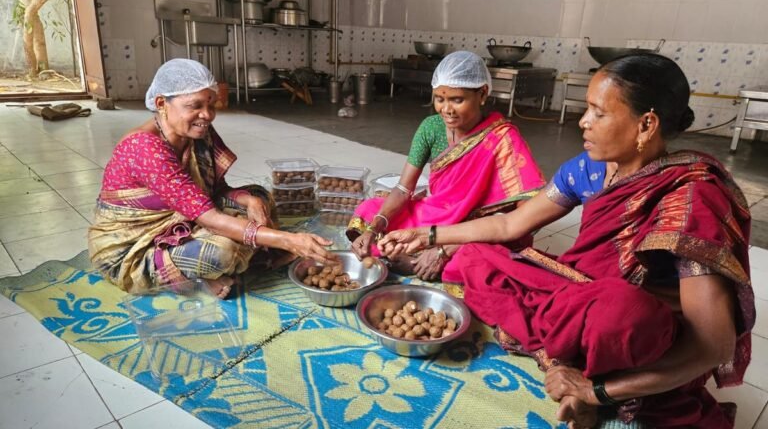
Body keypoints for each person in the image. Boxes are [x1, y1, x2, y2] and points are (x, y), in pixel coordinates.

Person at [377, 53, 755, 428]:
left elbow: (713, 346)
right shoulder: (588, 168)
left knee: (621, 312)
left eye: (598, 112)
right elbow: (511, 225)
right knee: (478, 256)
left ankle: (593, 376)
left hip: (642, 333)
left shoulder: (691, 198)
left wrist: (597, 391)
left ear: (646, 124)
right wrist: (427, 235)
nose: (583, 122)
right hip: (584, 295)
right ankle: (568, 354)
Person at [88, 59, 337, 298]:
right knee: (222, 252)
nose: (206, 115)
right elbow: (211, 218)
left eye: (211, 104)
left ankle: (249, 257)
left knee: (258, 196)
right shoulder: (144, 147)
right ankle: (196, 274)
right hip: (134, 247)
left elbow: (216, 190)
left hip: (187, 216)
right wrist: (288, 240)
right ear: (162, 103)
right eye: (194, 105)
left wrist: (248, 200)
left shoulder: (197, 131)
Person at [347, 50, 545, 280]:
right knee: (369, 210)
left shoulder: (502, 139)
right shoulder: (431, 128)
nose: (446, 110)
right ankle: (414, 259)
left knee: (478, 260)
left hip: (481, 228)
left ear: (482, 94)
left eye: (457, 100)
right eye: (440, 99)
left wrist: (446, 248)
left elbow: (527, 213)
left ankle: (419, 260)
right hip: (438, 215)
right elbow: (403, 189)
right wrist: (375, 228)